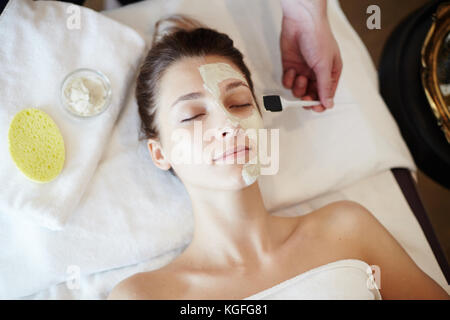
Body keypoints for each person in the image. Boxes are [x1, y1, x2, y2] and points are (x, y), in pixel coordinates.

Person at [107, 15, 449, 300]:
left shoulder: (346, 228)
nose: (229, 124)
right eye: (194, 115)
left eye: (239, 103)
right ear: (159, 152)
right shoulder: (145, 295)